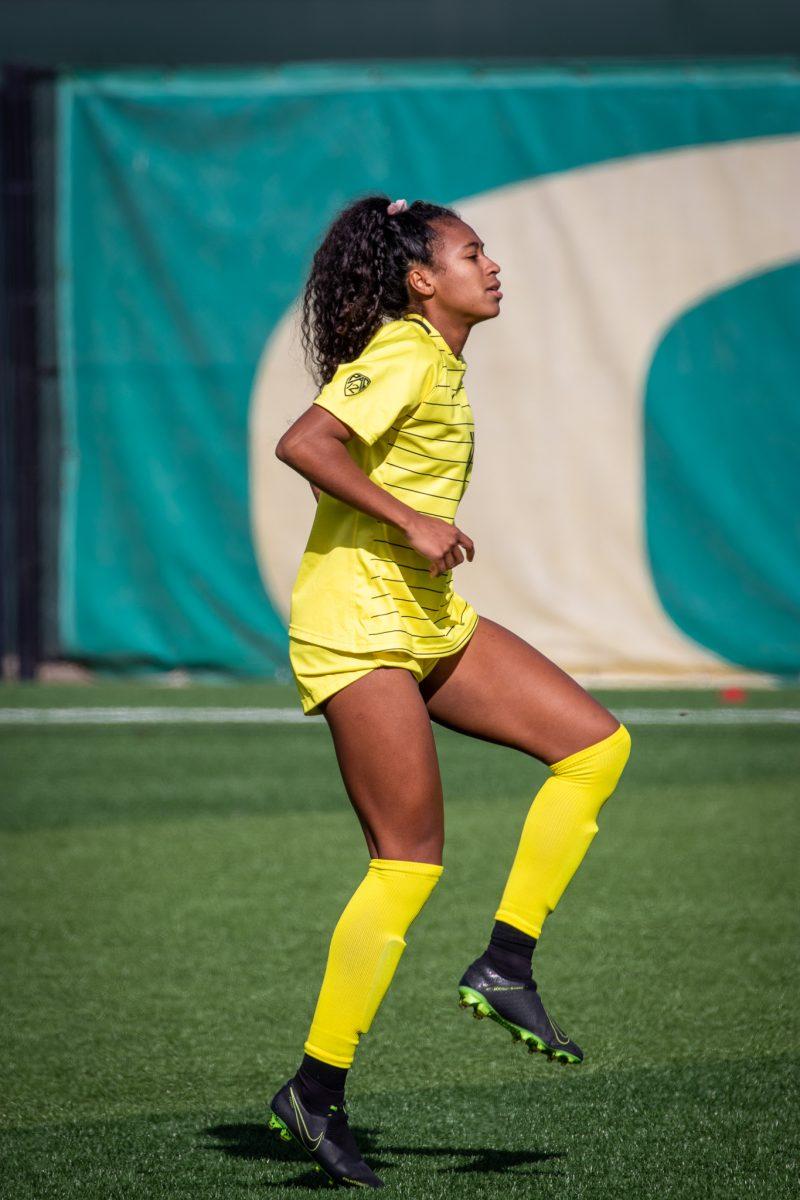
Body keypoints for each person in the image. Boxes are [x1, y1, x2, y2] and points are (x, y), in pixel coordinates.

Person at [267, 195, 632, 1188]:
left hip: (422, 616)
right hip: (359, 622)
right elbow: (305, 444)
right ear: (422, 278)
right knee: (406, 863)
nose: (492, 265)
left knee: (595, 746)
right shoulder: (403, 352)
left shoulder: (434, 356)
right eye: (472, 253)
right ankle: (315, 1090)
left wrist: (413, 537)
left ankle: (504, 964)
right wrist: (409, 521)